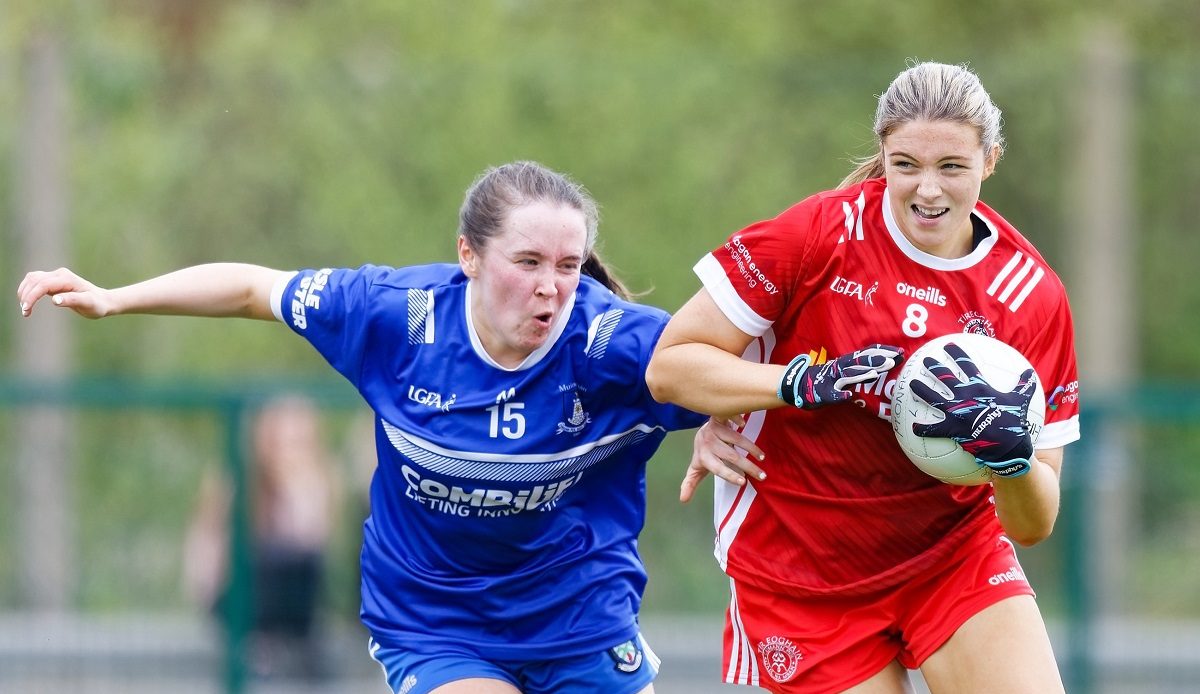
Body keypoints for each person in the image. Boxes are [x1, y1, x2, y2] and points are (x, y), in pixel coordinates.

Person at [17, 160, 741, 694]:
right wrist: (114, 298)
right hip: (438, 622)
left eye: (568, 265)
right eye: (527, 262)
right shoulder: (394, 315)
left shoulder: (619, 344)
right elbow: (252, 288)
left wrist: (723, 413)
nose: (551, 287)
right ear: (468, 255)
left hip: (581, 619)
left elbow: (748, 364)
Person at [645, 62, 1081, 693]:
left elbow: (1033, 524)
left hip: (952, 555)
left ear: (991, 160)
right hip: (802, 567)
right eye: (906, 164)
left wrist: (1010, 460)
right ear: (882, 155)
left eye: (951, 167)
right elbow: (671, 367)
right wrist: (797, 383)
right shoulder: (818, 234)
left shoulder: (1030, 295)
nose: (927, 190)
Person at [182, 394, 339, 681]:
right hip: (235, 594)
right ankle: (258, 647)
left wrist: (302, 484)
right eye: (288, 441)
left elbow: (311, 539)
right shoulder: (239, 480)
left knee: (305, 562)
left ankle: (295, 648)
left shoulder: (315, 480)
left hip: (288, 598)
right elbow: (214, 561)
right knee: (275, 557)